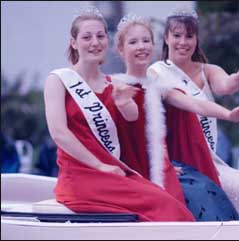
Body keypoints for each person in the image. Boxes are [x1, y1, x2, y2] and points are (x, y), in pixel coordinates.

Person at [43, 7, 195, 222]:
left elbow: (132, 121)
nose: (95, 42)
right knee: (162, 205)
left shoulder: (114, 83)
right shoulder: (58, 80)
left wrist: (124, 102)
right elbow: (59, 133)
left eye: (100, 36)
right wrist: (99, 166)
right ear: (73, 42)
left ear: (107, 40)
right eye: (87, 37)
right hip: (81, 176)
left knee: (168, 200)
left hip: (113, 172)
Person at [111, 13, 239, 221]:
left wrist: (233, 102)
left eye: (146, 41)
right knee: (205, 195)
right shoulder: (142, 78)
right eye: (177, 35)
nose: (183, 42)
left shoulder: (170, 81)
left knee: (226, 192)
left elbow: (203, 100)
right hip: (150, 165)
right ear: (166, 38)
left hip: (198, 157)